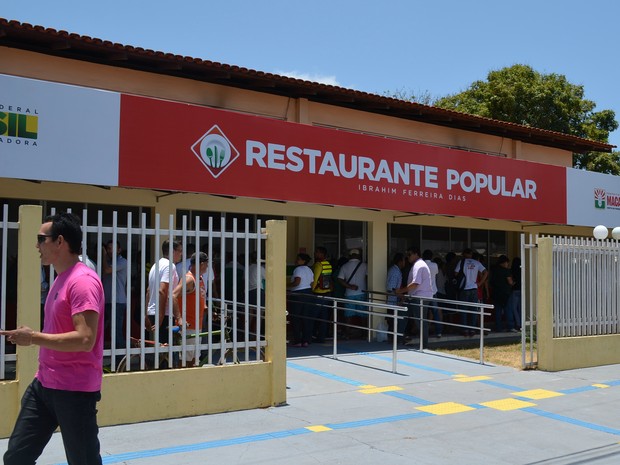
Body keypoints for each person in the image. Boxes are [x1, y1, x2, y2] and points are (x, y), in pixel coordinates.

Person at [1, 212, 105, 465]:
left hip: (74, 390)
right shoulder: (60, 278)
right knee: (16, 458)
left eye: (41, 239)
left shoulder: (82, 281)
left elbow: (85, 339)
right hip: (45, 385)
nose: (36, 245)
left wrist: (33, 337)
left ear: (60, 241)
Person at [172, 252, 209, 365]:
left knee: (194, 360)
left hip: (197, 325)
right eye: (207, 264)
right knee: (185, 361)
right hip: (189, 326)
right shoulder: (189, 279)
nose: (207, 267)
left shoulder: (200, 279)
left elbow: (199, 298)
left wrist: (207, 309)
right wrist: (179, 318)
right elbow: (173, 295)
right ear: (201, 264)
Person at [146, 239, 183, 345]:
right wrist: (161, 316)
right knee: (167, 352)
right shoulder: (169, 266)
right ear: (172, 251)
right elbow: (162, 291)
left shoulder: (156, 265)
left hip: (153, 311)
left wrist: (147, 314)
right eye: (179, 251)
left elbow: (148, 291)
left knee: (160, 350)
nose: (181, 254)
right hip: (164, 314)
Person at [396, 246, 433, 347]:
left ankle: (424, 345)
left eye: (409, 254)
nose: (408, 257)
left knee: (420, 321)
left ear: (416, 254)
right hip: (413, 297)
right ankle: (399, 339)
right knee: (403, 316)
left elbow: (415, 283)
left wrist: (401, 291)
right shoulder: (417, 265)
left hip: (419, 298)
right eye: (407, 255)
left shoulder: (419, 265)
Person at [455, 248, 488, 337]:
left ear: (464, 254)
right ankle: (472, 330)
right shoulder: (477, 263)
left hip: (464, 289)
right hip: (474, 289)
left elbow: (456, 273)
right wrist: (480, 283)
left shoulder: (461, 262)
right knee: (473, 310)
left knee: (464, 310)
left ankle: (465, 330)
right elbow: (486, 272)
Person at [101, 240, 128, 349]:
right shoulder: (107, 261)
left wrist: (102, 256)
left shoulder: (122, 262)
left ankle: (119, 360)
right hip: (107, 301)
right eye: (108, 249)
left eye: (113, 248)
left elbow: (107, 270)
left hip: (117, 302)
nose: (110, 251)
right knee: (102, 330)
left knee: (116, 331)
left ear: (119, 250)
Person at [337, 249, 368, 338]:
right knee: (363, 314)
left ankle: (347, 333)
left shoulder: (344, 266)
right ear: (358, 256)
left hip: (349, 294)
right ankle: (364, 334)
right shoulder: (364, 266)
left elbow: (340, 279)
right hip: (362, 292)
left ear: (350, 256)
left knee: (348, 315)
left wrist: (350, 286)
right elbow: (367, 277)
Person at [287, 253, 314, 347]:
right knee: (306, 318)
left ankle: (298, 340)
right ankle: (306, 340)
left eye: (298, 259)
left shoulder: (298, 269)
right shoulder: (310, 270)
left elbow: (297, 282)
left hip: (297, 295)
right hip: (308, 293)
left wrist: (286, 285)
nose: (296, 261)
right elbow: (312, 283)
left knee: (296, 318)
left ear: (303, 261)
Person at [311, 246, 332, 343]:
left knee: (313, 316)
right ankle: (322, 336)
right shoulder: (328, 264)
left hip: (318, 293)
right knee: (324, 317)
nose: (315, 253)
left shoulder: (318, 265)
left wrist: (311, 289)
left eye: (317, 252)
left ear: (322, 254)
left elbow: (315, 279)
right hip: (327, 293)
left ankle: (312, 335)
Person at [489, 255, 515, 332]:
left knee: (498, 311)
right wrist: (513, 283)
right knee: (508, 310)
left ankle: (498, 327)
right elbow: (510, 282)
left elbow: (491, 282)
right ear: (504, 262)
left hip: (496, 293)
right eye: (507, 263)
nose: (508, 265)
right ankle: (510, 326)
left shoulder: (494, 270)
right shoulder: (506, 271)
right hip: (505, 293)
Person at [423, 249, 443, 338]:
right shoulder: (434, 265)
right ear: (431, 257)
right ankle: (439, 332)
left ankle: (423, 332)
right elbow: (436, 273)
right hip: (433, 291)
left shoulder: (421, 265)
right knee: (435, 312)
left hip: (423, 293)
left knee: (423, 313)